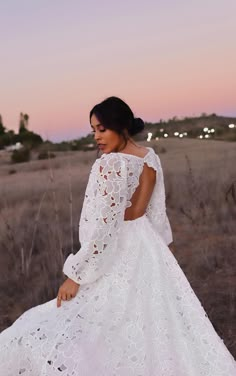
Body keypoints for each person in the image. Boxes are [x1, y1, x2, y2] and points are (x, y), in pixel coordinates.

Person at [0, 96, 235, 375]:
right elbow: (157, 214)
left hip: (121, 248)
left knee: (83, 324)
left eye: (102, 129)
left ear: (121, 126)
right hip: (149, 247)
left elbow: (105, 227)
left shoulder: (109, 164)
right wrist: (164, 256)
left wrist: (76, 274)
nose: (97, 137)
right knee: (150, 326)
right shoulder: (151, 157)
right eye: (93, 131)